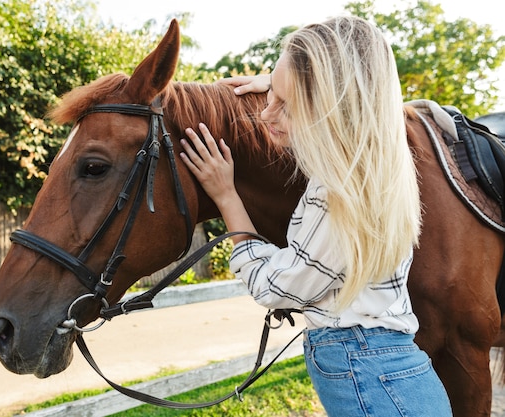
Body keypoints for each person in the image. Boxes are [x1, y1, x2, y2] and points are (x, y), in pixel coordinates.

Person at [179, 15, 452, 416]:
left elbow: (275, 286)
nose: (267, 114)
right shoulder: (380, 170)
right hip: (397, 380)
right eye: (270, 94)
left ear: (335, 110)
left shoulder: (336, 195)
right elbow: (368, 95)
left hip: (369, 379)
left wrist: (227, 197)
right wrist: (277, 84)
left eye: (286, 107)